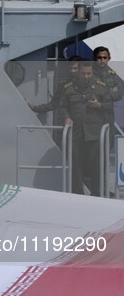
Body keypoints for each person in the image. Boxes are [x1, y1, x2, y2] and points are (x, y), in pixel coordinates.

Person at [59, 61, 113, 196]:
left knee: (96, 167)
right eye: (83, 73)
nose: (86, 76)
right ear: (78, 73)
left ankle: (96, 195)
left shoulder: (100, 87)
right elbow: (62, 106)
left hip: (94, 135)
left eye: (89, 73)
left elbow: (109, 105)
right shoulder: (69, 88)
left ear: (92, 73)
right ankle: (77, 195)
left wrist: (98, 105)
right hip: (76, 134)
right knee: (76, 167)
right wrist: (66, 117)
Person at [93, 46, 122, 146]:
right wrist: (110, 91)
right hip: (93, 116)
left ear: (109, 58)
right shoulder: (89, 74)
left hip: (108, 116)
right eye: (99, 58)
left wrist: (103, 93)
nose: (102, 60)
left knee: (109, 144)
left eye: (104, 58)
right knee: (94, 146)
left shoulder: (113, 75)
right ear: (95, 59)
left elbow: (119, 94)